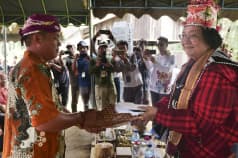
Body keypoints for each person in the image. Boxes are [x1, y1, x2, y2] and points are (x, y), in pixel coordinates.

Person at [3, 14, 136, 158]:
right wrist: (82, 117)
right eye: (55, 38)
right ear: (37, 39)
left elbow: (54, 109)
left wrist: (79, 120)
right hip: (34, 152)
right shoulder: (32, 70)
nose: (59, 43)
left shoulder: (33, 66)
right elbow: (46, 121)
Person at [136, 1, 238, 158]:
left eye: (193, 36)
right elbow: (173, 97)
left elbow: (198, 124)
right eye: (183, 35)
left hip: (209, 153)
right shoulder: (192, 64)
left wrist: (157, 113)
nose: (185, 41)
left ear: (209, 39)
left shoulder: (217, 72)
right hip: (185, 149)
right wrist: (149, 110)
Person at [73, 41, 91, 111]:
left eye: (84, 48)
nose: (82, 49)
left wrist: (90, 60)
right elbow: (74, 70)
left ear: (87, 48)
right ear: (78, 49)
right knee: (85, 103)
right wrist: (75, 59)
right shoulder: (77, 59)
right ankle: (87, 118)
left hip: (92, 84)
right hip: (83, 84)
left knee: (94, 102)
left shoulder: (91, 57)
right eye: (80, 48)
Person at [64, 44, 79, 112]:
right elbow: (68, 68)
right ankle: (74, 114)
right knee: (74, 100)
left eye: (71, 48)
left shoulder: (79, 56)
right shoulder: (67, 59)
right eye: (68, 48)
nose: (70, 49)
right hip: (74, 82)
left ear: (74, 48)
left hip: (82, 81)